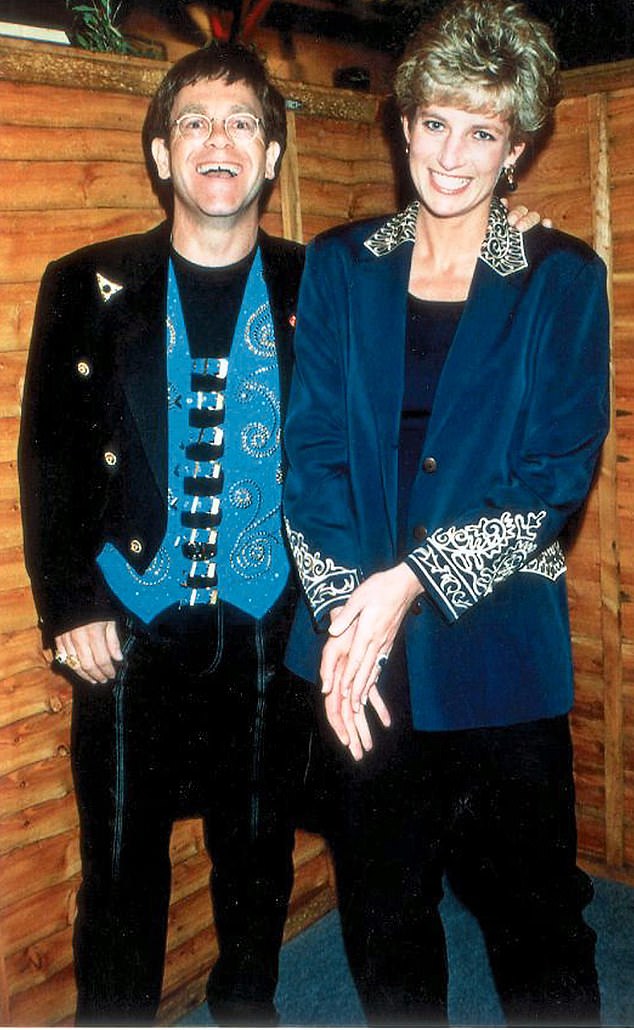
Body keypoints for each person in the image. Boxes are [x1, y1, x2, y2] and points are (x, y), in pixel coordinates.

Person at [283, 1, 610, 1025]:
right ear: (403, 123)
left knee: (538, 917)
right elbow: (313, 454)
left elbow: (554, 473)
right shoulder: (339, 264)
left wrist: (407, 585)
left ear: (515, 149)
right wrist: (350, 620)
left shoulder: (562, 278)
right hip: (358, 659)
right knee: (384, 913)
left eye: (483, 131)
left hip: (499, 649)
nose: (453, 152)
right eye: (436, 122)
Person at [18, 41, 315, 1027]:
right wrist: (70, 603)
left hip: (270, 633)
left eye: (242, 123)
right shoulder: (86, 283)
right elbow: (50, 458)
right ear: (159, 154)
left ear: (270, 156)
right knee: (119, 879)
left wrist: (507, 232)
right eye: (193, 122)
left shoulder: (327, 285)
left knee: (258, 866)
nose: (218, 141)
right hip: (130, 632)